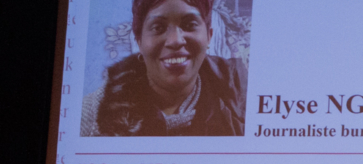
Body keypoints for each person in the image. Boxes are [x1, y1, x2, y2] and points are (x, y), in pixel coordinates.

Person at [82, 0, 246, 136]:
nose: (175, 40)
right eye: (158, 27)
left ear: (209, 36)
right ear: (139, 41)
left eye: (189, 25)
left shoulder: (241, 101)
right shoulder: (90, 115)